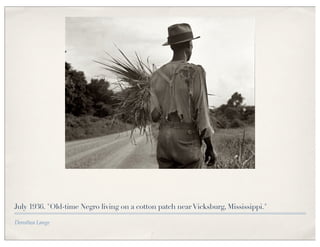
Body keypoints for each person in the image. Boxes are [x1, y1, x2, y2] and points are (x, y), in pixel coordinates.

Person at [150, 23, 216, 169]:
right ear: (190, 45)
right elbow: (202, 113)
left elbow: (154, 116)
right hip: (186, 140)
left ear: (172, 46)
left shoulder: (155, 76)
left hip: (164, 138)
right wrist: (210, 147)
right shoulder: (195, 72)